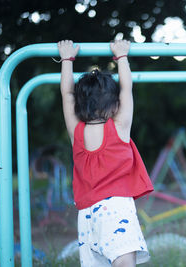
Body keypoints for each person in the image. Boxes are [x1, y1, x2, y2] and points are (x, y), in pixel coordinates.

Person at [57, 39, 154, 267]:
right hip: (116, 209)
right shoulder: (119, 127)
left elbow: (67, 94)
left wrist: (66, 59)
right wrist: (121, 56)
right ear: (115, 105)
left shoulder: (76, 132)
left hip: (87, 215)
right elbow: (127, 88)